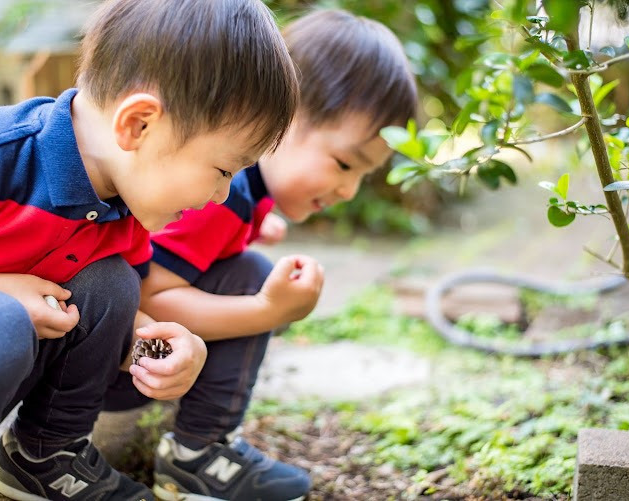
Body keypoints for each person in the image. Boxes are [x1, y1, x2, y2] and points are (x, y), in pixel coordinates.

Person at [0, 0, 298, 499]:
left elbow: (107, 320)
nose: (221, 197)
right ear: (138, 125)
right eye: (222, 171)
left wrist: (162, 346)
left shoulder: (120, 207)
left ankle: (47, 458)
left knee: (113, 284)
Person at [102, 8, 418, 501]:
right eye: (343, 163)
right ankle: (197, 454)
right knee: (251, 277)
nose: (349, 189)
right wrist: (266, 311)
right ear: (282, 118)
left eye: (363, 175)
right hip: (108, 371)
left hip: (119, 359)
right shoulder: (216, 196)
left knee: (245, 264)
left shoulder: (239, 194)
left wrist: (247, 230)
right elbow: (151, 299)